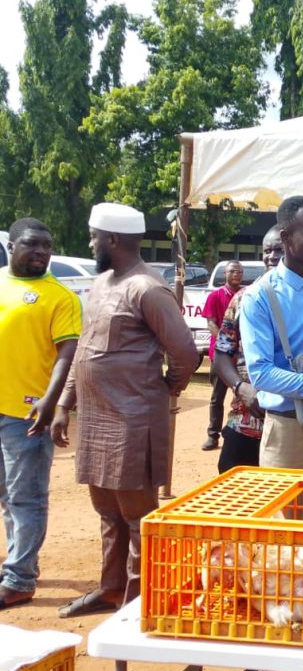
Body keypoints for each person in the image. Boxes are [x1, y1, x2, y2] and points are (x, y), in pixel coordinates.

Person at [51, 203, 198, 617]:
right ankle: (111, 589)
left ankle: (136, 605)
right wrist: (64, 403)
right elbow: (85, 349)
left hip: (133, 421)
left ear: (112, 239)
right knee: (107, 511)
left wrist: (168, 387)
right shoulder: (101, 284)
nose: (90, 243)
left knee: (137, 517)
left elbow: (185, 353)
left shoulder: (147, 289)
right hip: (96, 419)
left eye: (94, 236)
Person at [0, 219, 81, 609]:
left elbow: (68, 352)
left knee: (26, 498)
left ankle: (19, 579)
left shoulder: (60, 297)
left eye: (47, 246)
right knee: (6, 495)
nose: (42, 252)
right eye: (33, 245)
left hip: (27, 413)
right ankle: (19, 563)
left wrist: (52, 401)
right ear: (11, 246)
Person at [241, 196, 303, 470]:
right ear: (286, 238)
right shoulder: (259, 296)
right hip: (288, 431)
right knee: (285, 500)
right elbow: (261, 373)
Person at [212, 229, 283, 473]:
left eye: (279, 250)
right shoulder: (243, 298)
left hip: (290, 426)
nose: (272, 256)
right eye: (267, 250)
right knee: (231, 482)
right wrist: (240, 388)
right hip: (245, 420)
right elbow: (221, 353)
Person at [201, 261, 244, 451]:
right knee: (217, 398)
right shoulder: (215, 296)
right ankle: (213, 435)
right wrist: (228, 343)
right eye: (233, 271)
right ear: (225, 273)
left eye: (240, 272)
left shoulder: (247, 295)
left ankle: (237, 435)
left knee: (243, 397)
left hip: (242, 358)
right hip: (221, 357)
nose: (237, 274)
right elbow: (211, 324)